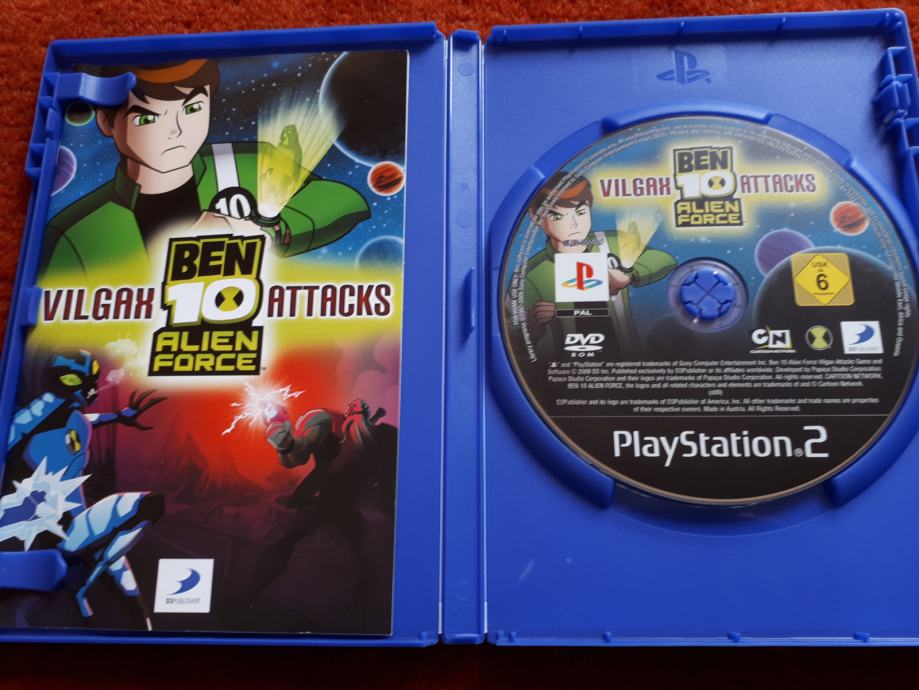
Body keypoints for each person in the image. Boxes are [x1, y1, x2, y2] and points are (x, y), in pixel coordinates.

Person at [41, 59, 369, 280]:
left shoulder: (244, 166)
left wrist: (268, 229)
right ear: (106, 122)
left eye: (193, 108)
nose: (176, 131)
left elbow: (343, 200)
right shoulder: (76, 232)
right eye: (149, 117)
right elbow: (48, 340)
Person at [518, 172, 676, 360]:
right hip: (569, 372)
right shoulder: (531, 274)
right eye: (558, 216)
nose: (574, 224)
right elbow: (509, 337)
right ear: (536, 217)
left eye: (581, 212)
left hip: (629, 365)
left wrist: (631, 274)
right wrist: (530, 330)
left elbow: (663, 259)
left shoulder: (614, 243)